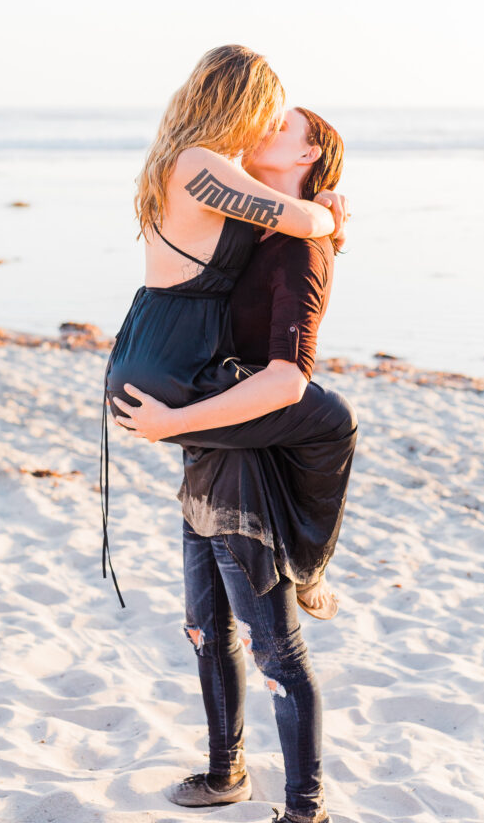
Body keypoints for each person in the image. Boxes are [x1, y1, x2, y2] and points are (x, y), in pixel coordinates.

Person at [111, 107, 357, 823]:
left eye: (279, 124)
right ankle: (225, 774)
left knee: (273, 649)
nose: (258, 127)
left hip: (246, 464)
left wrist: (169, 424)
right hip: (209, 452)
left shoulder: (296, 252)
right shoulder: (255, 226)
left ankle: (307, 818)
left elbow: (287, 381)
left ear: (310, 151)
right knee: (202, 627)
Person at [101, 44, 349, 606]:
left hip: (159, 350)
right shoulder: (199, 164)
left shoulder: (185, 160)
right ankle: (308, 567)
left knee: (272, 415)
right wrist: (329, 212)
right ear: (243, 100)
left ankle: (283, 568)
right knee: (332, 420)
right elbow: (299, 217)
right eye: (268, 109)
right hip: (174, 363)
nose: (267, 123)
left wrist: (323, 209)